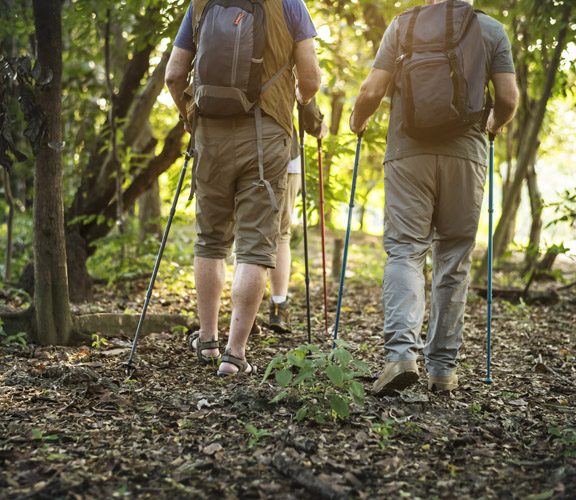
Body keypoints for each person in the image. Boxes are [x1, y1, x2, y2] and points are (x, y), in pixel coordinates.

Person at [349, 0, 518, 394]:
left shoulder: (402, 26)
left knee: (406, 250)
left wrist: (358, 122)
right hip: (467, 154)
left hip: (409, 152)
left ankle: (400, 356)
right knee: (454, 257)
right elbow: (508, 99)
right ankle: (442, 370)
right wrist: (491, 127)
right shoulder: (490, 30)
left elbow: (372, 89)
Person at [165, 0, 321, 376]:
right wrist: (297, 103)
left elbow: (173, 75)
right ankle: (234, 355)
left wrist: (189, 117)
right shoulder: (289, 5)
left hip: (210, 132)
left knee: (210, 239)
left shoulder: (201, 4)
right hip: (267, 134)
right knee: (254, 244)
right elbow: (311, 78)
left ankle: (206, 341)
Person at [267, 98, 328, 333]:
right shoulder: (286, 58)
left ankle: (242, 315)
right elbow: (307, 103)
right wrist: (318, 127)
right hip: (282, 154)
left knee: (245, 231)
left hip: (232, 151)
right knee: (280, 234)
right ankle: (278, 308)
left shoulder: (223, 58)